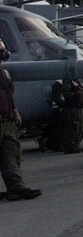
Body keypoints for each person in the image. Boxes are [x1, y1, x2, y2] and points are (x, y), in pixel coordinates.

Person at [0, 39, 42, 200]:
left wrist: (15, 111)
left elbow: (9, 95)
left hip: (7, 121)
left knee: (11, 154)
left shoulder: (4, 73)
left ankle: (16, 187)